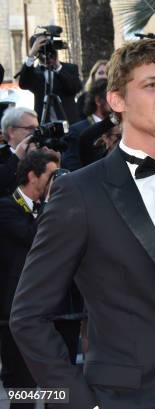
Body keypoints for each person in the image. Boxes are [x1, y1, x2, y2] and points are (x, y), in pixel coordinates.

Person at [10, 39, 155, 409]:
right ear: (117, 100)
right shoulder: (80, 191)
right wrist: (82, 402)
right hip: (128, 397)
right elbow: (28, 316)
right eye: (152, 85)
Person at [0, 151, 59, 409]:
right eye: (51, 176)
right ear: (32, 176)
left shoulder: (47, 207)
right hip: (13, 311)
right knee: (20, 384)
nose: (54, 182)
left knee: (56, 386)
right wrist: (49, 202)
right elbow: (35, 238)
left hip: (47, 309)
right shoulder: (5, 208)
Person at [18, 35, 82, 124]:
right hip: (44, 124)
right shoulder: (33, 73)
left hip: (69, 121)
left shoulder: (70, 68)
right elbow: (23, 84)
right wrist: (31, 54)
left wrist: (58, 67)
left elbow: (75, 88)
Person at [62, 78, 111, 170]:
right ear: (98, 100)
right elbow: (72, 166)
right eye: (110, 98)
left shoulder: (119, 128)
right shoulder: (77, 131)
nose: (116, 103)